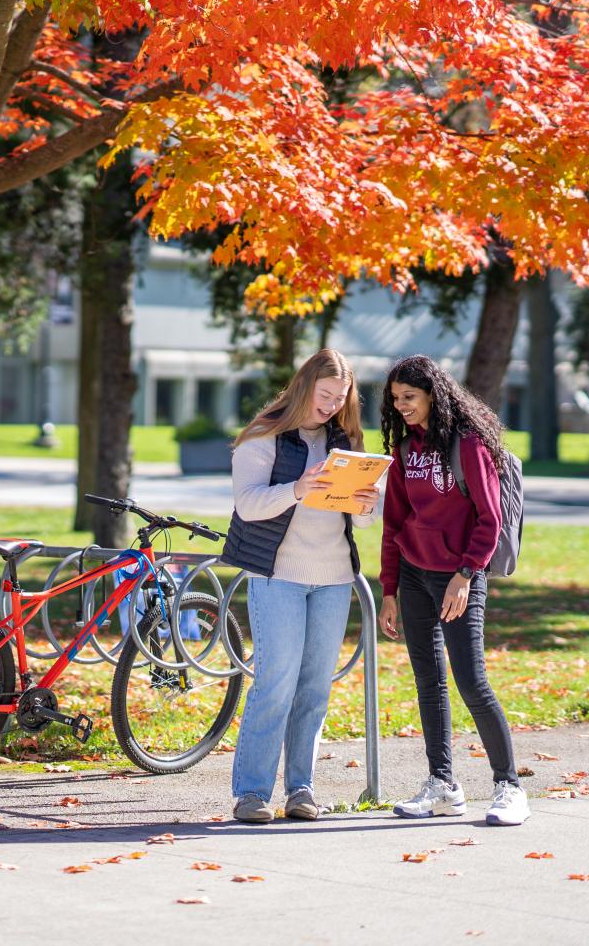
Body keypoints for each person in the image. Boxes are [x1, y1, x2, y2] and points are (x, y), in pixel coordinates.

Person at [221, 348, 382, 824]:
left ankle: (301, 789)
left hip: (334, 578)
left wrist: (367, 502)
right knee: (276, 683)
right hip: (279, 577)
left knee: (314, 689)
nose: (331, 405)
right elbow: (248, 505)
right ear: (304, 386)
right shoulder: (264, 436)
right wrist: (297, 489)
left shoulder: (346, 441)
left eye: (340, 397)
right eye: (324, 394)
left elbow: (365, 520)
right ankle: (251, 793)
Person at [377, 354, 528, 826]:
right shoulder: (406, 450)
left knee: (471, 681)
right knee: (429, 682)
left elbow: (489, 518)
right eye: (395, 398)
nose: (401, 406)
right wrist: (389, 590)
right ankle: (442, 784)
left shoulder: (468, 444)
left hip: (458, 577)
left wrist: (465, 575)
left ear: (433, 395)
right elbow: (393, 523)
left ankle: (509, 786)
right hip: (414, 575)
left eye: (409, 396)